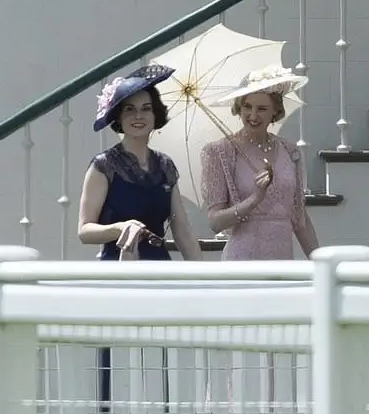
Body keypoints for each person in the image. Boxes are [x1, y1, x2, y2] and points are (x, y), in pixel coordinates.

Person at [78, 64, 203, 412]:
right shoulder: (104, 165)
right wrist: (121, 227)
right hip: (116, 271)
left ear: (156, 114)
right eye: (130, 108)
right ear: (118, 116)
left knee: (156, 360)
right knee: (118, 362)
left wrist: (206, 277)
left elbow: (181, 228)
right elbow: (84, 230)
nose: (139, 115)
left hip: (159, 272)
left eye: (146, 108)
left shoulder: (166, 166)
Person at [200, 64, 320, 260]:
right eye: (247, 107)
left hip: (282, 261)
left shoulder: (290, 151)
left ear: (275, 111)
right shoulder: (220, 152)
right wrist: (254, 199)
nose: (253, 116)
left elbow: (300, 219)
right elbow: (215, 222)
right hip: (242, 262)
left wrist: (320, 262)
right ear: (239, 107)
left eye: (262, 109)